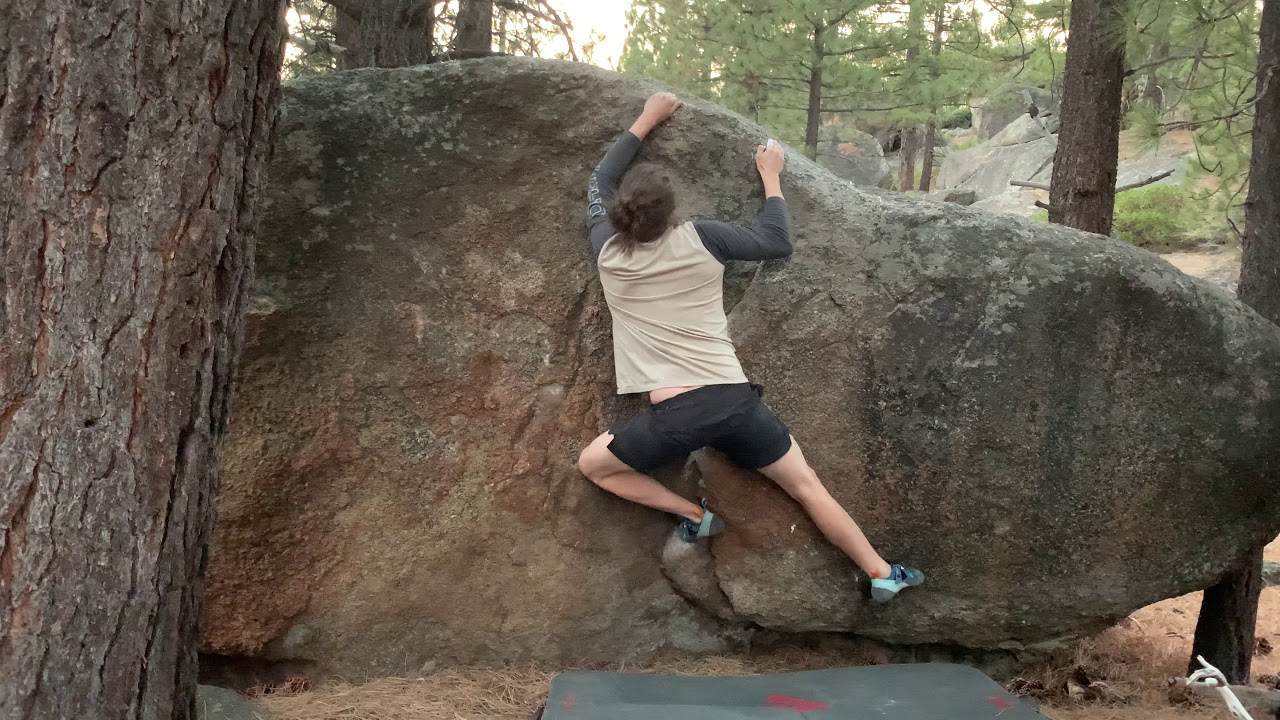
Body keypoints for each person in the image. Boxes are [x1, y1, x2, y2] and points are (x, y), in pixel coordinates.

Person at [576, 92, 924, 603]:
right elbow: (775, 241)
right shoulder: (702, 238)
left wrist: (648, 118)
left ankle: (695, 516)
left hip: (679, 414)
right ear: (670, 214)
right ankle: (880, 571)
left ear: (621, 212)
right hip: (736, 401)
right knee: (807, 487)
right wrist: (771, 176)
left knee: (593, 465)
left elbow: (597, 180)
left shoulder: (606, 250)